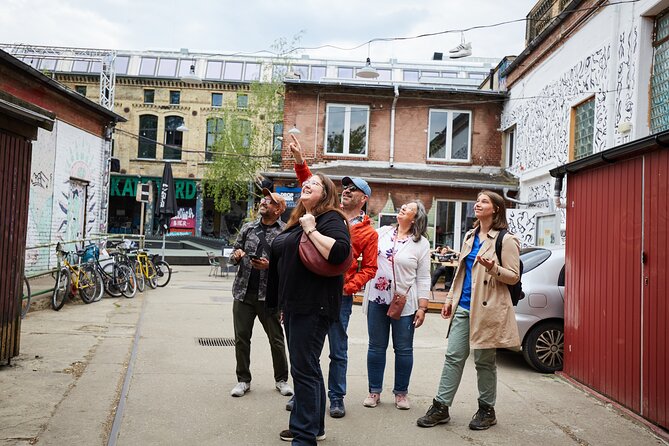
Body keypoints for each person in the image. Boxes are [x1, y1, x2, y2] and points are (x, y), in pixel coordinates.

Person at [289, 134, 378, 418]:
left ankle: (336, 397)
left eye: (354, 189)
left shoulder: (368, 233)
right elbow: (313, 189)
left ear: (364, 199)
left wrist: (347, 287)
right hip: (314, 289)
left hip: (339, 297)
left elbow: (370, 268)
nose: (347, 190)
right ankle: (305, 393)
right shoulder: (330, 215)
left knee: (337, 350)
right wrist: (301, 162)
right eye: (346, 187)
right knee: (308, 346)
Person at [416, 190, 521, 431]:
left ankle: (487, 409)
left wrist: (494, 268)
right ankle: (441, 407)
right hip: (463, 307)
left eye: (484, 201)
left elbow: (513, 277)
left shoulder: (505, 239)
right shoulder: (470, 236)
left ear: (495, 208)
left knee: (485, 362)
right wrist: (449, 299)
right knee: (453, 357)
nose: (478, 204)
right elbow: (461, 274)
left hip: (487, 309)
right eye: (477, 200)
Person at [266, 173, 351, 445]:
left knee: (304, 370)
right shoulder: (297, 220)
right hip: (294, 304)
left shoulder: (331, 219)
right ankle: (312, 427)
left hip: (314, 305)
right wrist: (281, 304)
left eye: (315, 183)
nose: (307, 184)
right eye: (306, 182)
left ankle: (304, 436)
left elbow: (339, 252)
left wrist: (312, 229)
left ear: (325, 194)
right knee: (306, 367)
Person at [361, 200, 431, 410]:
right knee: (376, 347)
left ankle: (401, 393)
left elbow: (424, 277)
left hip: (405, 304)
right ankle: (374, 391)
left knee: (403, 349)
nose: (404, 207)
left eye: (410, 208)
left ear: (416, 218)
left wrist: (423, 306)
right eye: (404, 206)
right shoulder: (382, 232)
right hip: (377, 298)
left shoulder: (421, 244)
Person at [228, 188, 293, 399]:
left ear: (279, 209)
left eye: (270, 201)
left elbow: (289, 266)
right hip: (243, 293)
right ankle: (243, 380)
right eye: (264, 200)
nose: (264, 203)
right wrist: (236, 255)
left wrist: (269, 266)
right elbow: (233, 254)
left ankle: (281, 380)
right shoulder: (248, 228)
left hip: (270, 296)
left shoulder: (285, 232)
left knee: (276, 339)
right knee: (241, 338)